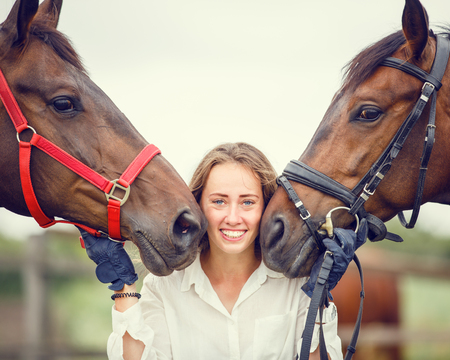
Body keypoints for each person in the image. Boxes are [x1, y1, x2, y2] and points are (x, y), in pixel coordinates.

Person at [80, 142, 365, 360]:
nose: (232, 217)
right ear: (198, 205)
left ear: (266, 206)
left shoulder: (297, 286)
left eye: (247, 202)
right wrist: (124, 288)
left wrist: (320, 295)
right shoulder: (166, 286)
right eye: (218, 201)